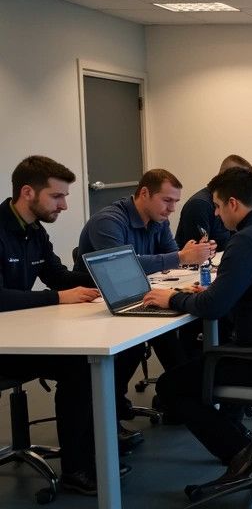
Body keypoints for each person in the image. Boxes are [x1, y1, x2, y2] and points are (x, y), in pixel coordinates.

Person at [145, 167, 252, 485]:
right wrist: (215, 292)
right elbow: (243, 289)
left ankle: (239, 451)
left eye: (218, 206)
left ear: (233, 203)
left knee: (171, 386)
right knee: (197, 368)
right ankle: (247, 445)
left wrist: (172, 298)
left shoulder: (246, 240)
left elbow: (213, 308)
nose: (216, 214)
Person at [0, 155, 121, 495]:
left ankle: (94, 456)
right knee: (78, 368)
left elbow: (56, 275)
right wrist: (57, 298)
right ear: (28, 192)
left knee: (85, 364)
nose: (64, 205)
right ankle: (77, 469)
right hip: (4, 348)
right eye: (57, 196)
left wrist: (107, 280)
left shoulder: (34, 230)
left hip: (20, 337)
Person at [77, 169, 216, 450]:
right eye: (167, 200)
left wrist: (183, 257)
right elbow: (122, 268)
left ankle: (181, 398)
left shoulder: (157, 220)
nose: (172, 208)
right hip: (96, 305)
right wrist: (181, 256)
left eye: (175, 202)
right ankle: (177, 400)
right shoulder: (108, 222)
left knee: (169, 331)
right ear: (144, 194)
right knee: (153, 340)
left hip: (135, 295)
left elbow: (170, 258)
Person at [175, 154, 252, 250]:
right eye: (242, 181)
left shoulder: (232, 201)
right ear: (226, 178)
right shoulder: (199, 205)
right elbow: (199, 253)